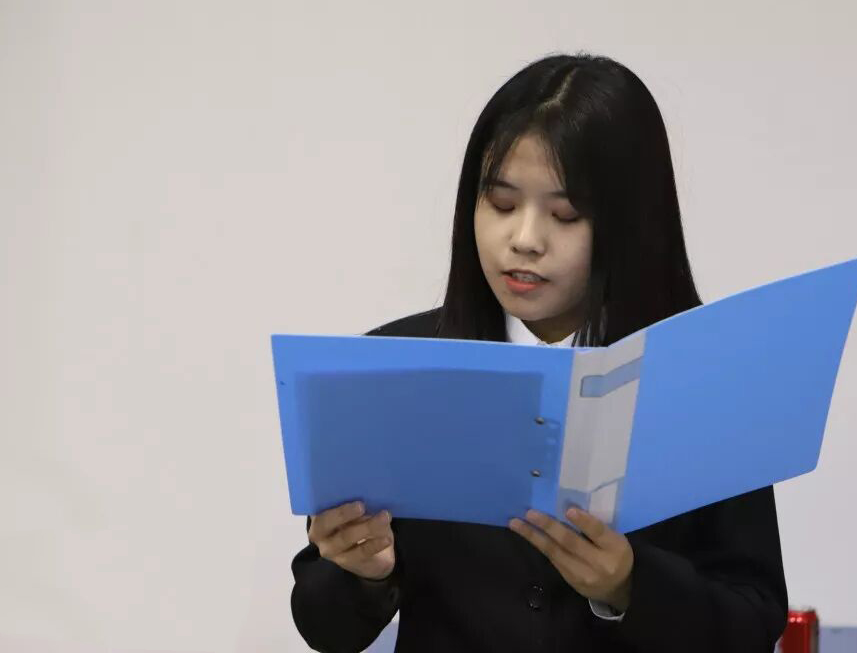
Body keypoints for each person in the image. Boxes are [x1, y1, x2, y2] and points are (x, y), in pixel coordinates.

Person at [289, 53, 787, 652]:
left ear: (631, 224)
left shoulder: (706, 378)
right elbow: (323, 624)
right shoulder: (393, 368)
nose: (524, 240)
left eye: (565, 214)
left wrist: (629, 585)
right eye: (501, 204)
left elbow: (754, 619)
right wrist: (365, 573)